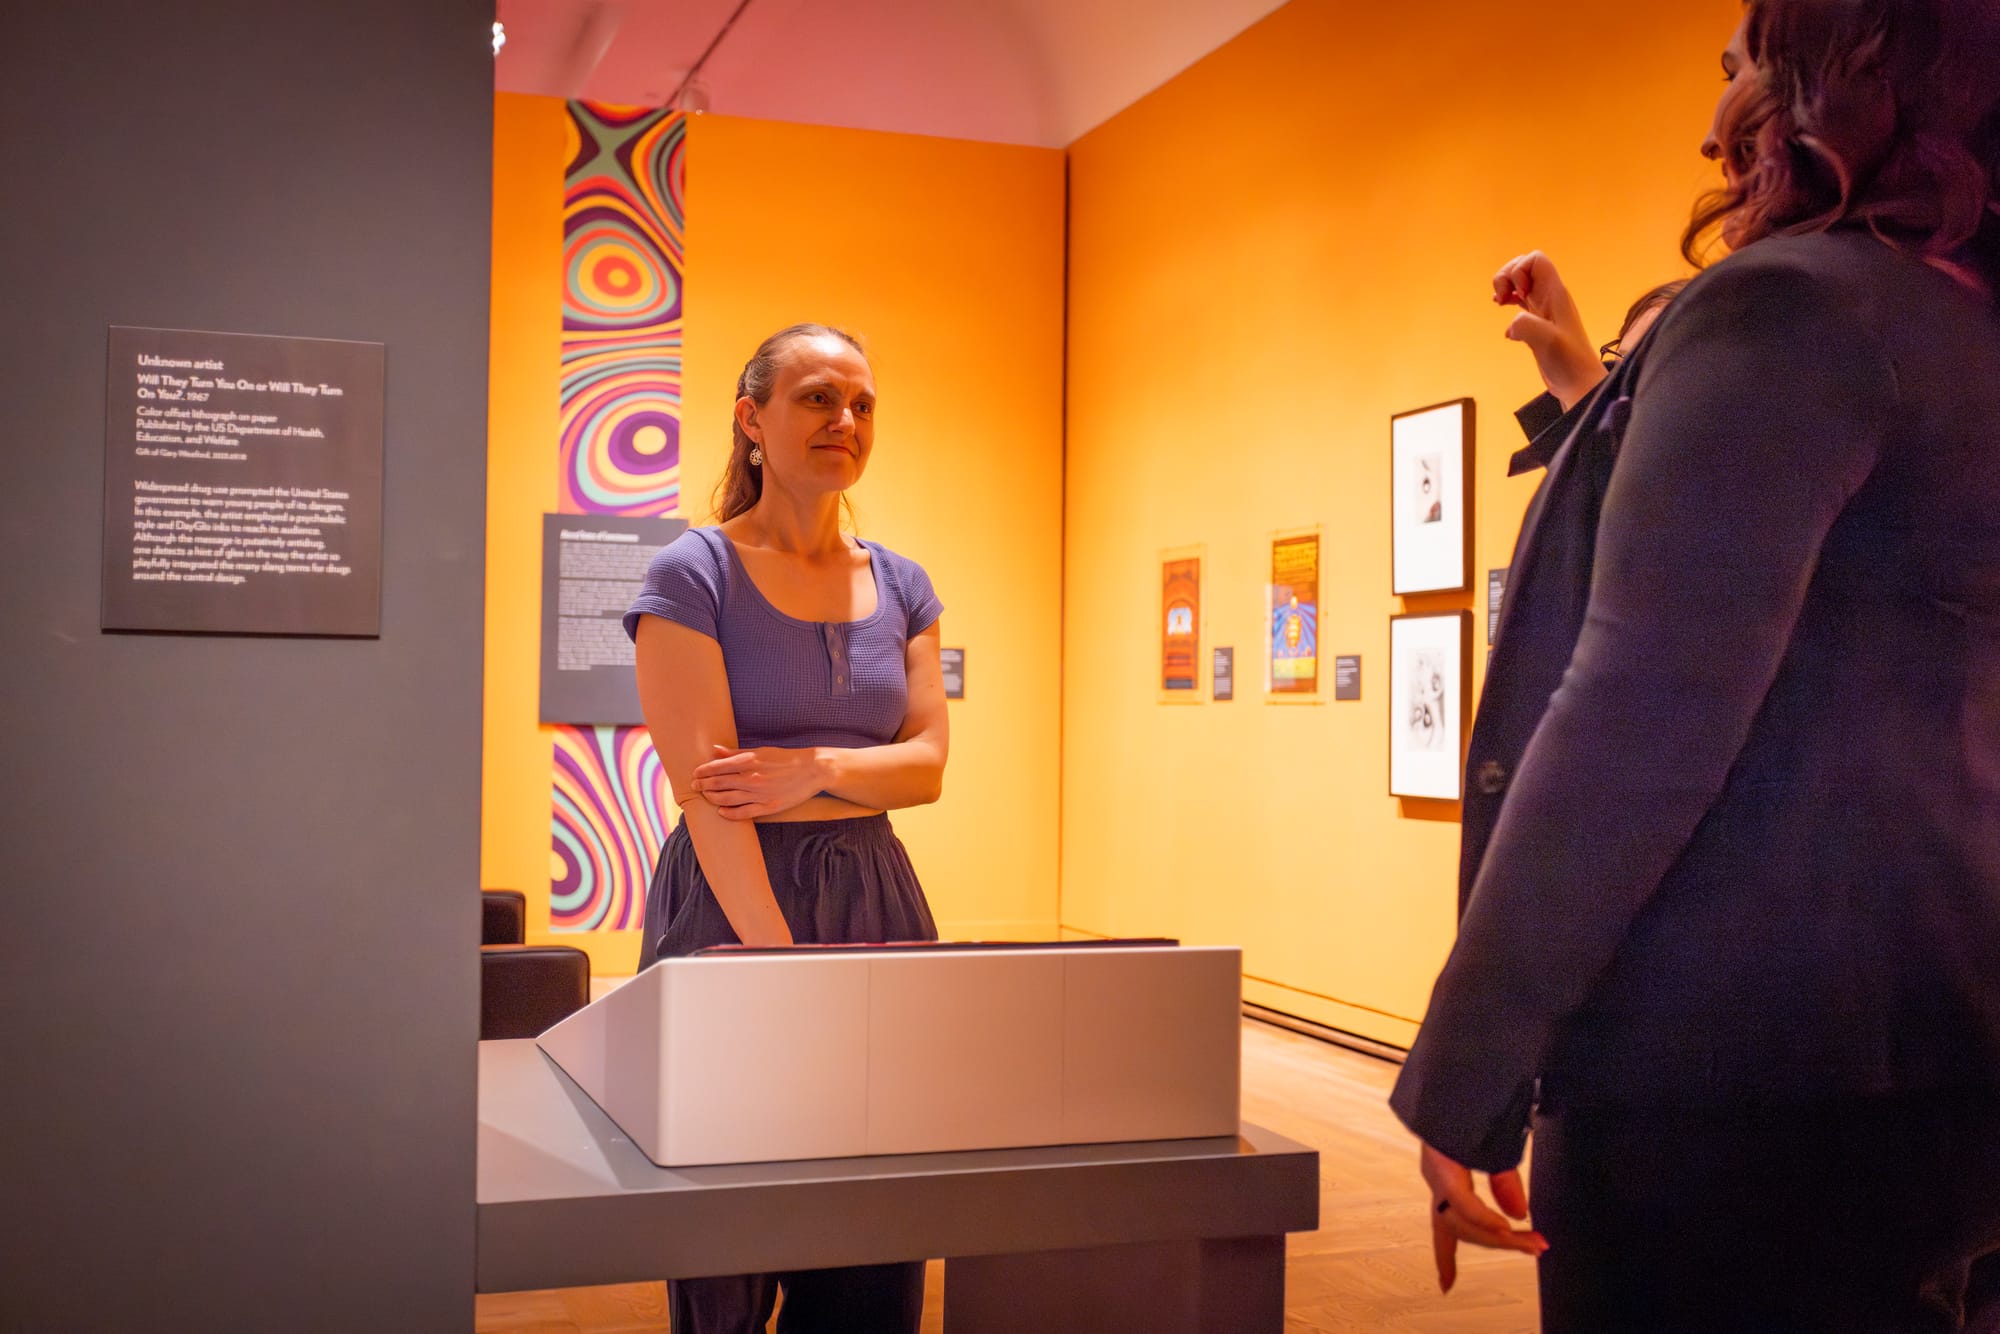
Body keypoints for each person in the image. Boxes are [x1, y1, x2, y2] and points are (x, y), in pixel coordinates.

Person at [1390, 1, 2000, 1327]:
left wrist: (1468, 1068)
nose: (1721, 87)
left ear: (1840, 77)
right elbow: (1855, 603)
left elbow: (1643, 705)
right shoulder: (1953, 312)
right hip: (1940, 1052)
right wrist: (1583, 391)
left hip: (1731, 1072)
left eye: (1747, 52)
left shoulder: (1789, 302)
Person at [623, 322, 949, 1334]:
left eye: (860, 404)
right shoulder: (694, 572)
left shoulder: (903, 583)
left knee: (871, 1223)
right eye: (815, 397)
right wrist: (777, 960)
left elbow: (929, 766)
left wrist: (811, 767)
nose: (842, 421)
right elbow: (710, 794)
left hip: (875, 901)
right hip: (732, 909)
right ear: (751, 418)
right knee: (729, 1224)